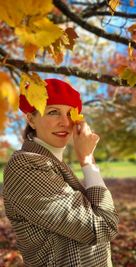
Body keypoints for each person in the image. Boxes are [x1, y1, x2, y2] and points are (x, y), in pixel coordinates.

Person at [3, 78, 119, 267]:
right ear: (31, 119)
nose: (65, 122)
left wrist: (88, 158)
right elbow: (103, 226)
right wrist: (87, 159)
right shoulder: (25, 166)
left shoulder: (52, 163)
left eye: (70, 113)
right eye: (53, 112)